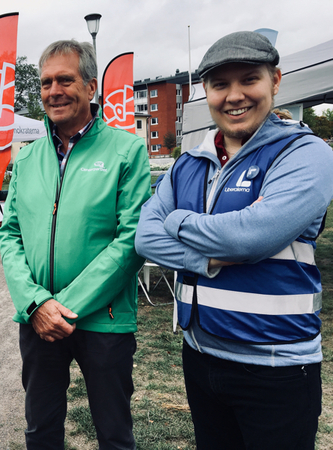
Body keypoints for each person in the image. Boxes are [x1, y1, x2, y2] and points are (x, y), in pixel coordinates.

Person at [135, 31, 333, 450]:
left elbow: (249, 237)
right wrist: (206, 259)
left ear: (275, 81)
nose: (234, 95)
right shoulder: (189, 162)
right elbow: (145, 237)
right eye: (220, 84)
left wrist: (179, 218)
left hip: (276, 367)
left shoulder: (305, 153)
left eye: (249, 79)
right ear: (205, 90)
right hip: (200, 357)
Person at [0, 40, 151, 449]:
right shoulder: (26, 159)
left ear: (90, 87)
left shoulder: (127, 149)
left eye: (65, 79)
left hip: (104, 318)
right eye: (46, 82)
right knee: (41, 431)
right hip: (37, 319)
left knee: (114, 433)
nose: (53, 91)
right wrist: (35, 303)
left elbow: (132, 239)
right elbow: (9, 234)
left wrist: (61, 306)